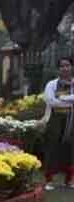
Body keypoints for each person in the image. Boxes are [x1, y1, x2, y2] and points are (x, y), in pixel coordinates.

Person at [41, 56, 74, 190]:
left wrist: (63, 97)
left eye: (67, 65)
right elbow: (50, 101)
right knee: (52, 147)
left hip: (71, 120)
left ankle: (69, 180)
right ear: (58, 69)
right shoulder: (51, 84)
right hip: (54, 119)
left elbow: (58, 100)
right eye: (62, 66)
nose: (65, 68)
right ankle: (49, 180)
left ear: (71, 67)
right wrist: (69, 101)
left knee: (70, 148)